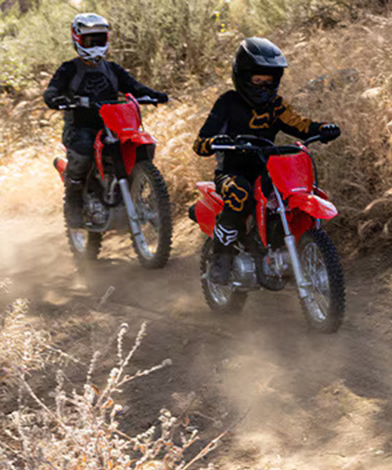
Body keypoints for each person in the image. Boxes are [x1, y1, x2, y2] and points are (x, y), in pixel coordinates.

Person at [192, 37, 341, 284]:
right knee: (239, 193)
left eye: (268, 80)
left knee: (292, 195)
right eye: (257, 80)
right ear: (243, 75)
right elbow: (201, 141)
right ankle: (221, 257)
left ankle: (282, 249)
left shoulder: (276, 105)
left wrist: (323, 128)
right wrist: (212, 142)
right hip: (231, 171)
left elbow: (301, 125)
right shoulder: (228, 102)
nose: (263, 85)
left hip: (269, 169)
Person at [43, 13, 169, 227]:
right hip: (80, 128)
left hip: (114, 125)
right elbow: (52, 90)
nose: (95, 45)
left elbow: (134, 86)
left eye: (100, 40)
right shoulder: (69, 69)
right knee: (83, 153)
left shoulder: (113, 69)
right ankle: (73, 205)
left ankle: (139, 192)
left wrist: (155, 95)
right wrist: (55, 98)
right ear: (77, 39)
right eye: (90, 41)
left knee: (139, 149)